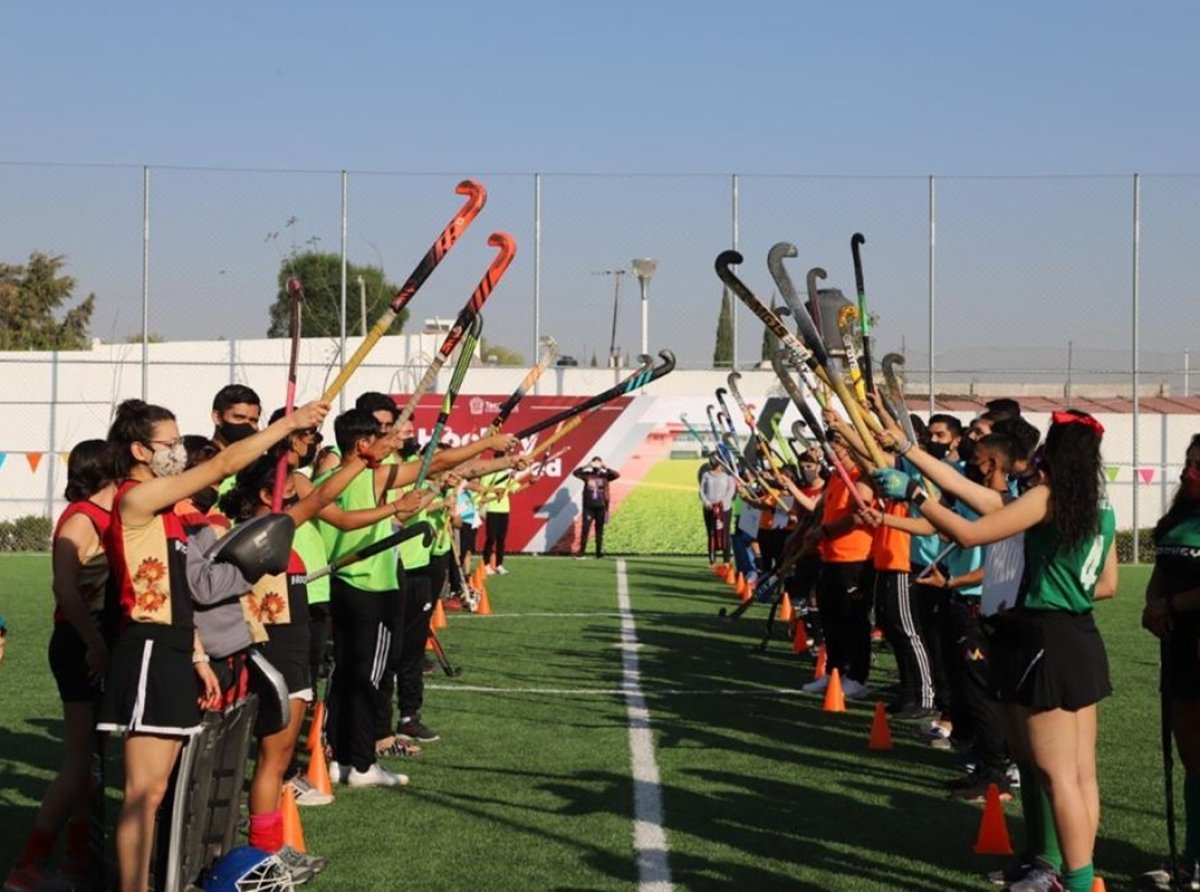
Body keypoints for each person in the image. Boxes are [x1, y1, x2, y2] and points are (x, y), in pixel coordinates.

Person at [875, 409, 1118, 892]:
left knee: (1056, 777)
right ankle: (1065, 871)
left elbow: (969, 531)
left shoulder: (1048, 498)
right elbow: (1106, 583)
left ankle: (1073, 880)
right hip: (1080, 638)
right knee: (1079, 773)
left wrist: (915, 495)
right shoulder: (1097, 506)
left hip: (1043, 638)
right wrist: (909, 453)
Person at [97, 397, 329, 892]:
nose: (179, 451)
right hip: (149, 648)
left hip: (177, 646)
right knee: (142, 794)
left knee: (157, 791)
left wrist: (199, 654)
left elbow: (184, 595)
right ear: (138, 449)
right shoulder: (136, 499)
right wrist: (288, 425)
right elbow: (222, 464)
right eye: (170, 443)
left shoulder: (167, 515)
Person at [6, 441, 116, 892]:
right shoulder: (82, 518)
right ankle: (28, 867)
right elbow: (65, 589)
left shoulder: (107, 514)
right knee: (76, 760)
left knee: (88, 759)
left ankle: (76, 856)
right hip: (79, 645)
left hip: (95, 644)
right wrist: (93, 642)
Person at [1142, 434, 1200, 890]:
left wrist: (1171, 605)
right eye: (1188, 462)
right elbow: (1160, 570)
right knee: (1193, 760)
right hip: (1179, 648)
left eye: (1199, 464)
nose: (1189, 472)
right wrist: (1153, 604)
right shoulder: (1176, 519)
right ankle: (1191, 857)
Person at [802, 431, 875, 701]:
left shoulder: (861, 475)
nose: (832, 449)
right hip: (830, 557)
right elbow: (821, 509)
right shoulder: (836, 474)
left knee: (853, 620)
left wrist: (827, 531)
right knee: (830, 619)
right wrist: (809, 534)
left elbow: (860, 515)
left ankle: (857, 676)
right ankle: (834, 671)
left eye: (837, 444)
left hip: (856, 558)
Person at [573, 456, 620, 559]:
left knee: (599, 530)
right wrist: (587, 465)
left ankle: (598, 553)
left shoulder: (605, 476)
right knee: (585, 530)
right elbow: (575, 473)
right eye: (595, 462)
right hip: (588, 507)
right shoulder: (588, 475)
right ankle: (582, 552)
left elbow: (616, 475)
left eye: (598, 462)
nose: (596, 464)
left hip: (601, 507)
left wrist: (605, 467)